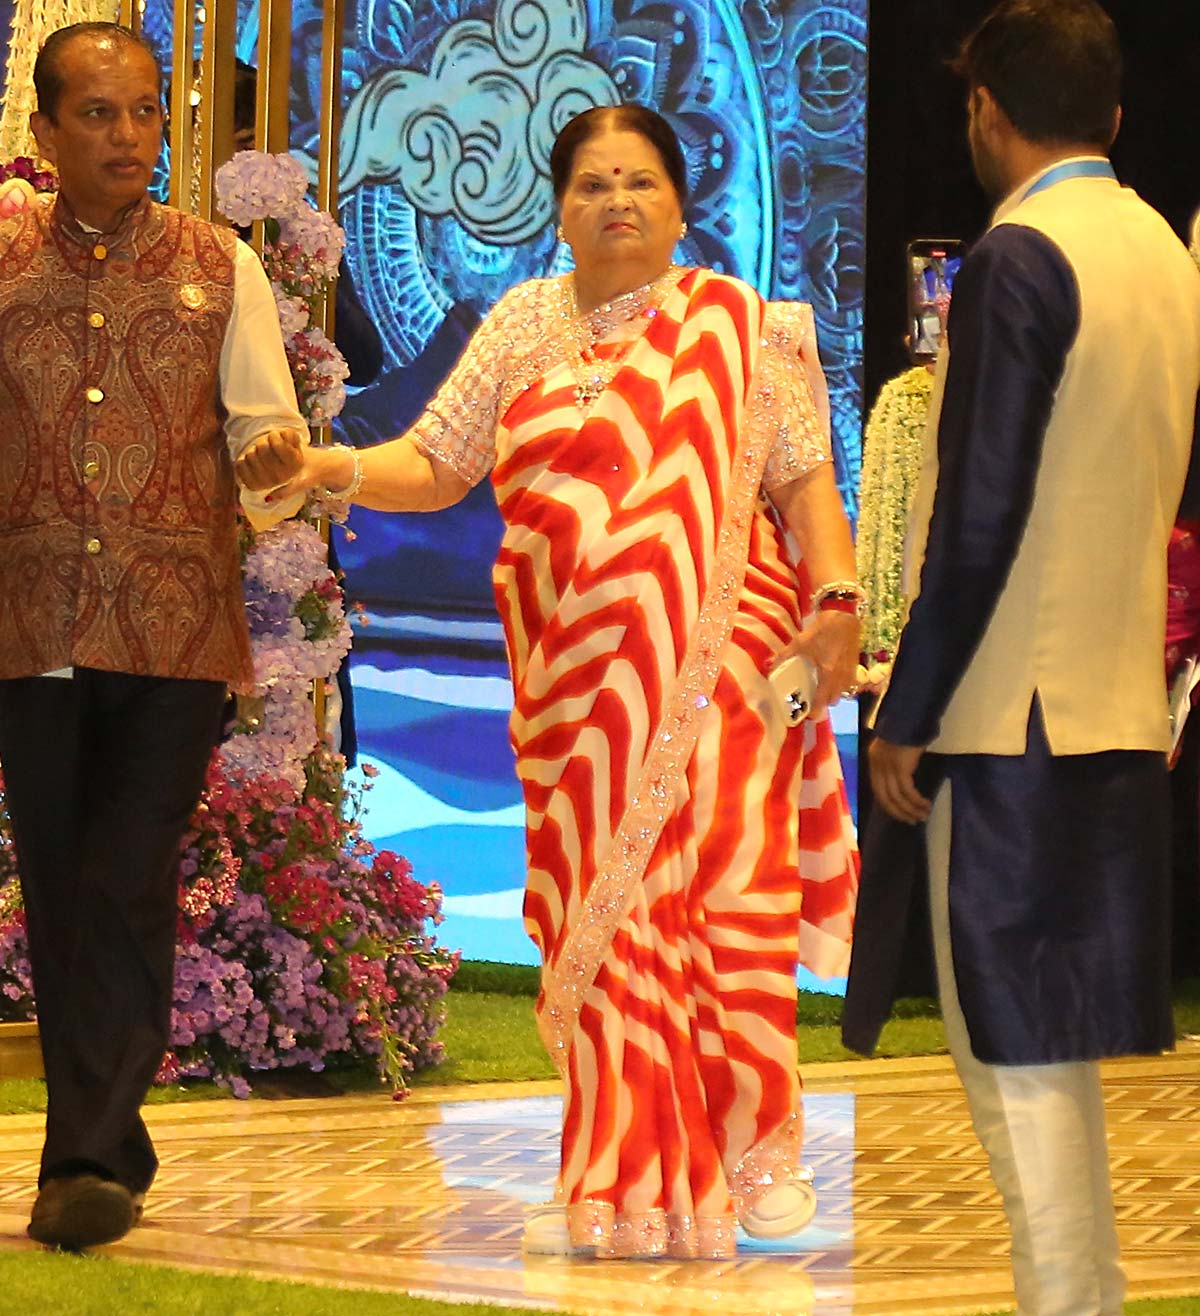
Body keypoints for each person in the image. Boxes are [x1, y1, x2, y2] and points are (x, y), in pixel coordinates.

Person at [241, 103, 861, 1260]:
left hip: (725, 669)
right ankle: (618, 1177)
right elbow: (435, 462)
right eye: (590, 184)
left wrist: (836, 608)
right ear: (559, 208)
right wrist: (332, 465)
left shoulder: (744, 329)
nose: (617, 201)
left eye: (638, 181)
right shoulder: (523, 321)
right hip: (574, 698)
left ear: (681, 203)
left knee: (722, 901)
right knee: (607, 920)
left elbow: (807, 489)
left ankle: (752, 1151)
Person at [846, 3, 1200, 1314]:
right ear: (1111, 113)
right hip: (1114, 697)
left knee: (1020, 1066)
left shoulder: (1019, 256)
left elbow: (981, 510)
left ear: (985, 110)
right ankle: (1086, 1299)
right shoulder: (1163, 248)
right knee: (1051, 1059)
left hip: (1015, 712)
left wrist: (910, 707)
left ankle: (1070, 1304)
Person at [0, 22, 306, 1250]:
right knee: (65, 883)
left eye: (145, 113)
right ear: (43, 133)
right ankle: (105, 1138)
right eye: (99, 115)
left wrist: (279, 465)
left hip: (174, 631)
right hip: (28, 627)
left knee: (125, 876)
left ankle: (84, 1159)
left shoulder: (218, 262)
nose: (129, 136)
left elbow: (263, 436)